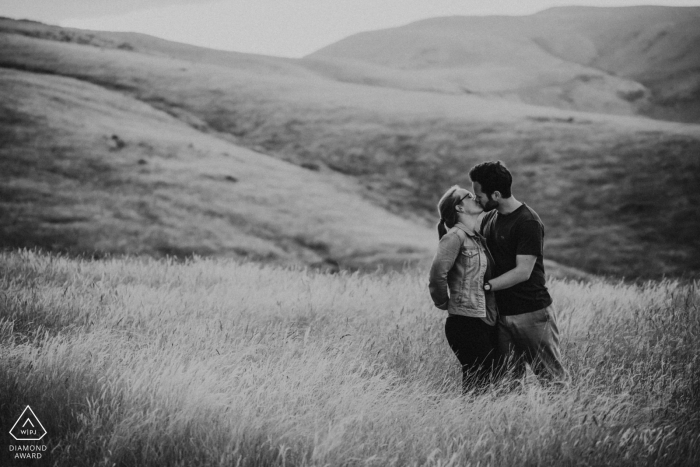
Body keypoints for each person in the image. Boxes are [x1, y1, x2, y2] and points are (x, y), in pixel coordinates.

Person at [469, 161, 568, 386]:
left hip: (531, 313)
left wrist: (485, 287)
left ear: (496, 194)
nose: (477, 200)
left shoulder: (528, 222)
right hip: (502, 316)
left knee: (552, 380)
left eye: (479, 196)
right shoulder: (489, 219)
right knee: (508, 384)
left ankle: (563, 418)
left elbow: (523, 272)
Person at [428, 185, 500, 394]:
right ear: (459, 207)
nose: (474, 196)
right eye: (468, 196)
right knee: (478, 381)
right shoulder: (455, 237)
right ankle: (471, 419)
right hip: (465, 322)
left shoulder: (476, 239)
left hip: (482, 319)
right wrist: (444, 303)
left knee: (484, 380)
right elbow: (437, 275)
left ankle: (475, 420)